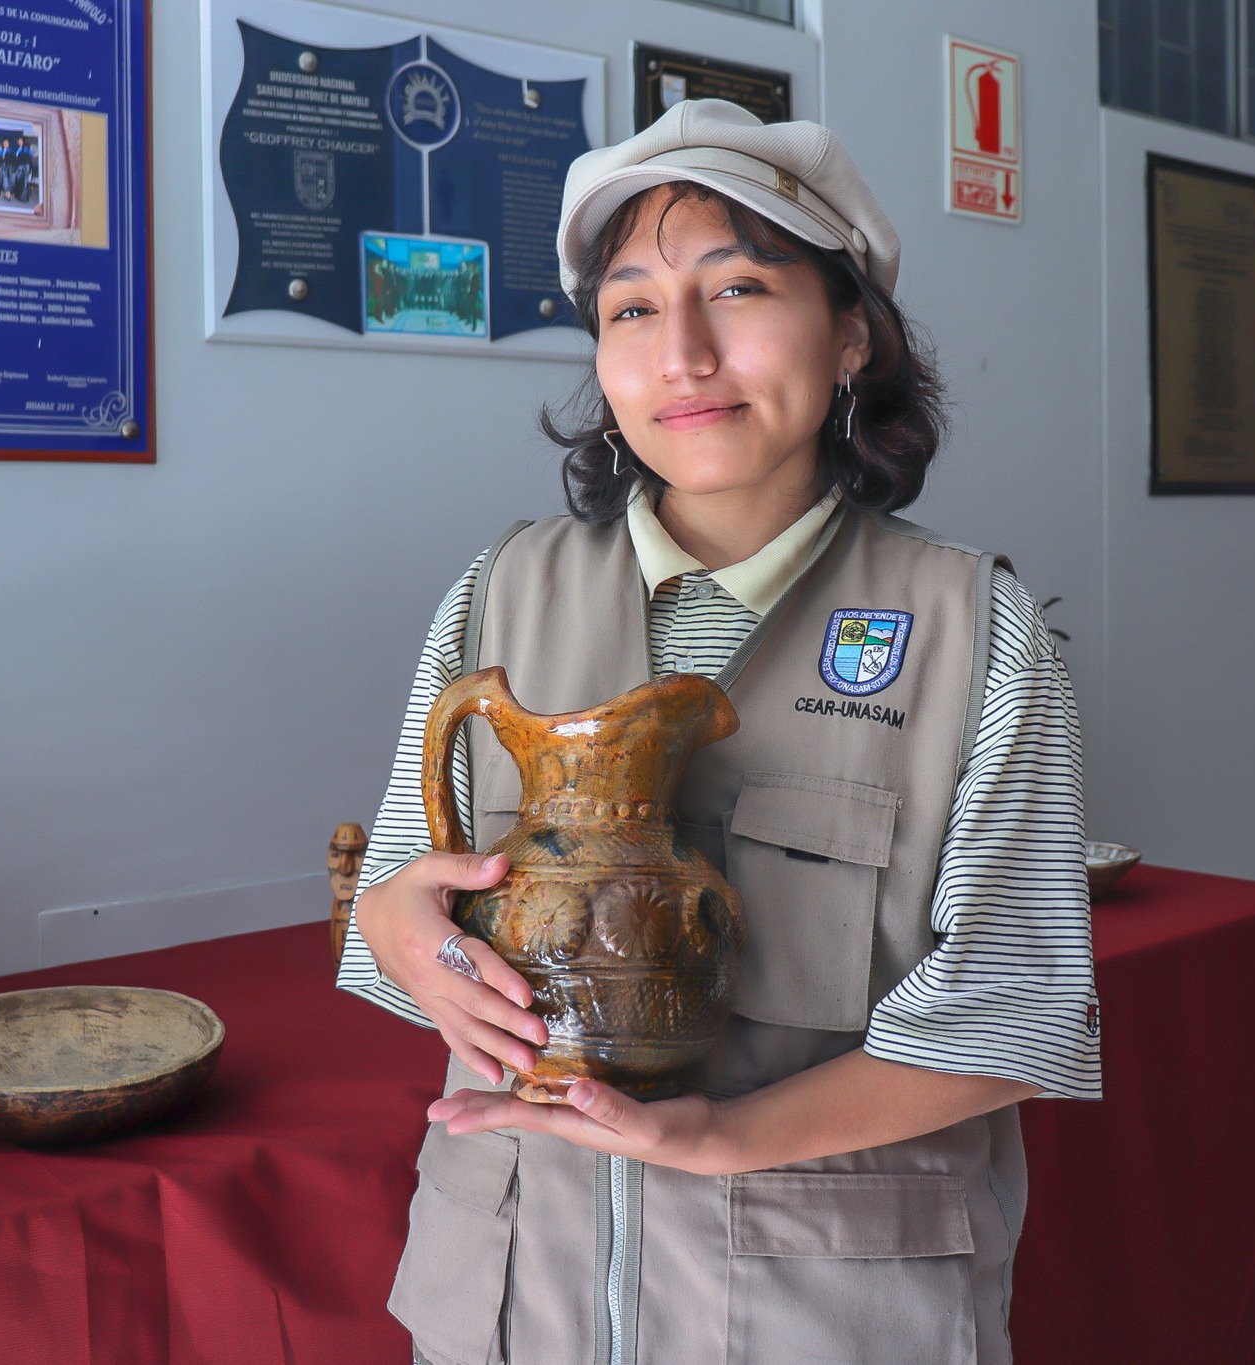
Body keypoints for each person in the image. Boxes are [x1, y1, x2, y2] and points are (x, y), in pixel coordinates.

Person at [339, 99, 1099, 1365]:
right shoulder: (497, 593)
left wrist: (719, 1140)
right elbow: (394, 898)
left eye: (736, 288)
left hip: (818, 1306)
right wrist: (398, 927)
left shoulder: (971, 625)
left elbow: (1011, 1019)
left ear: (850, 333)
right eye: (631, 307)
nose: (679, 352)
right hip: (515, 1294)